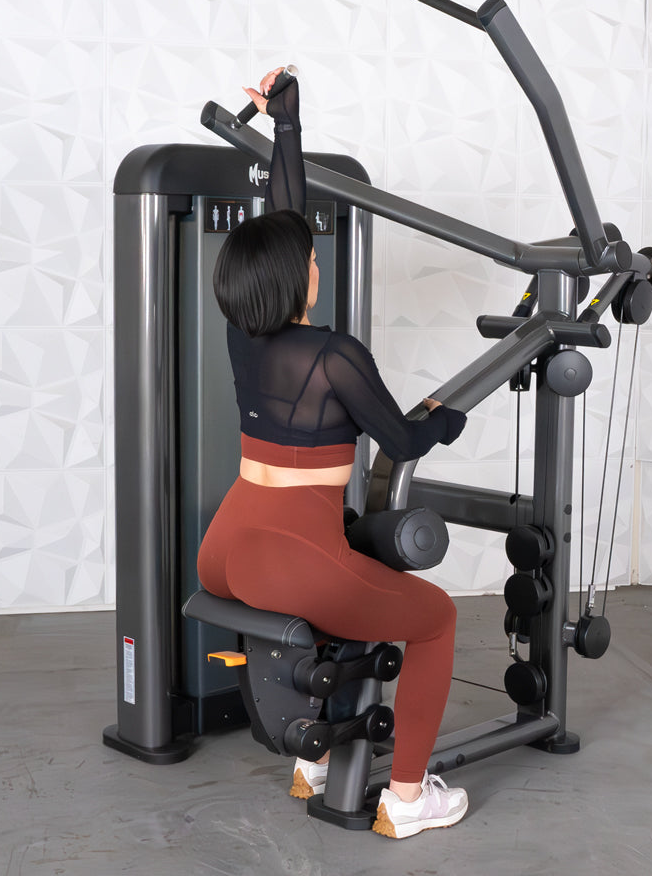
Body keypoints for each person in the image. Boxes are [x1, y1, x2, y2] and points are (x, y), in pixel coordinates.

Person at [196, 68, 470, 839]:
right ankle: (411, 801)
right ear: (298, 278)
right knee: (436, 618)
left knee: (348, 591)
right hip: (291, 558)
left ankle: (312, 762)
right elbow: (406, 440)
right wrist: (446, 419)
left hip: (225, 548)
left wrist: (287, 126)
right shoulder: (334, 356)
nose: (316, 259)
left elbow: (282, 220)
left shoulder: (241, 333)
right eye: (309, 255)